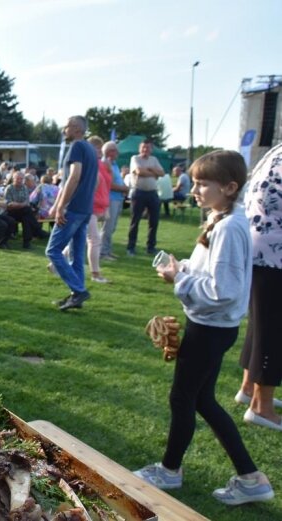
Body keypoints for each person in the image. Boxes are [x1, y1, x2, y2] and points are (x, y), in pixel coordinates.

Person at [134, 150, 274, 506]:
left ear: (229, 187)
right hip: (211, 326)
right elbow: (215, 277)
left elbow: (222, 291)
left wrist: (177, 281)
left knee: (182, 397)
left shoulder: (228, 227)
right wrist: (183, 269)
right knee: (202, 400)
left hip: (210, 328)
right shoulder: (222, 218)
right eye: (193, 182)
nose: (193, 189)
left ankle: (169, 471)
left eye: (202, 183)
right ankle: (250, 477)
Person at [235, 142, 282, 431]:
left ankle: (249, 388)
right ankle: (262, 408)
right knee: (273, 330)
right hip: (275, 252)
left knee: (260, 325)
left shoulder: (276, 151)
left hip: (260, 247)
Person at [45, 116, 98, 311]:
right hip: (85, 208)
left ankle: (79, 290)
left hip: (74, 208)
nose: (64, 130)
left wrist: (60, 206)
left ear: (76, 128)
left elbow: (74, 176)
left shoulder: (77, 147)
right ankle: (77, 294)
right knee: (76, 254)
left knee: (52, 250)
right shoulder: (91, 149)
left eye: (66, 126)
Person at [126, 139, 164, 256]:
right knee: (135, 221)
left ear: (151, 149)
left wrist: (151, 170)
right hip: (139, 192)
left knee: (154, 221)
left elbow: (162, 173)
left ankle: (151, 247)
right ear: (139, 148)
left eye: (148, 148)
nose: (145, 150)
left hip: (152, 193)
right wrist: (154, 172)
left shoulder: (154, 159)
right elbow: (139, 171)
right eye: (143, 147)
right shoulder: (135, 158)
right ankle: (131, 247)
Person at [86, 136, 111, 283]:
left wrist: (105, 206)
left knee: (82, 238)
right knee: (94, 240)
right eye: (97, 149)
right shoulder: (89, 165)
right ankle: (95, 274)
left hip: (95, 207)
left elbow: (104, 187)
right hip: (89, 208)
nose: (100, 152)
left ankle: (55, 263)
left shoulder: (99, 165)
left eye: (100, 149)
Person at [100, 141, 129, 261]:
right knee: (108, 227)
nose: (118, 152)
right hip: (110, 199)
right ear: (108, 152)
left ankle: (108, 250)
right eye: (115, 150)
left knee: (112, 227)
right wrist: (124, 188)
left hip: (117, 199)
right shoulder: (105, 164)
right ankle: (103, 253)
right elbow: (108, 184)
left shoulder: (114, 164)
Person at [4, 171, 48, 249]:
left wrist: (18, 204)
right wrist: (21, 204)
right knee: (27, 210)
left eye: (21, 179)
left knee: (26, 218)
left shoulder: (24, 187)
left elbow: (27, 202)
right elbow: (9, 204)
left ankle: (27, 242)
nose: (20, 180)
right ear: (13, 179)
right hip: (11, 212)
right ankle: (38, 231)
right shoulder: (9, 188)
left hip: (22, 211)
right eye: (18, 178)